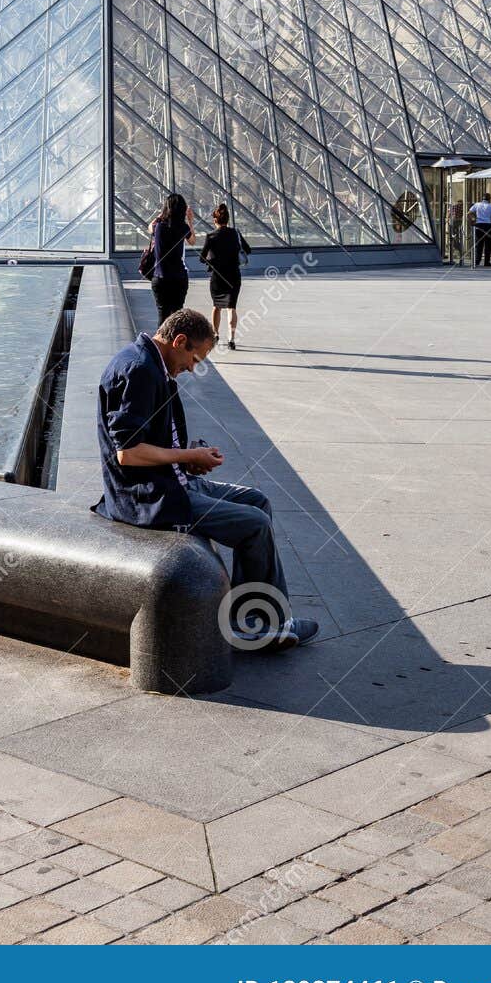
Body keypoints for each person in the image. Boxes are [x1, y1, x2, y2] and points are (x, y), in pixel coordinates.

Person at [95, 307, 318, 650]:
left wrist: (190, 458)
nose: (192, 368)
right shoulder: (139, 370)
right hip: (146, 497)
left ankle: (250, 615)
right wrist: (186, 457)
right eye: (194, 359)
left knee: (257, 500)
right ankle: (264, 627)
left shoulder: (151, 362)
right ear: (179, 341)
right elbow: (128, 453)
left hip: (171, 479)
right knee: (255, 523)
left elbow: (150, 441)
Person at [200, 203, 251, 350]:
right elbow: (247, 249)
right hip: (234, 275)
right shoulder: (235, 233)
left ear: (215, 220)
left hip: (217, 277)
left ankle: (215, 334)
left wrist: (212, 258)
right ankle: (231, 339)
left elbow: (202, 257)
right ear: (227, 219)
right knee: (231, 307)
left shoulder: (211, 236)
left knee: (216, 307)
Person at [147, 192, 195, 325]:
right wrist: (190, 221)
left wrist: (162, 213)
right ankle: (175, 344)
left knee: (162, 315)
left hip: (160, 277)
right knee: (177, 315)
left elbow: (149, 226)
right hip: (179, 277)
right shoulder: (183, 227)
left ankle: (160, 344)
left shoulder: (158, 226)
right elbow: (192, 241)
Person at [468, 192, 491, 267]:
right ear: (489, 199)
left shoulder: (477, 205)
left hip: (479, 225)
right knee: (488, 245)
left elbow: (469, 213)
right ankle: (486, 262)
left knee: (479, 244)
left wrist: (473, 220)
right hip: (488, 226)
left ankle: (477, 261)